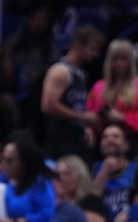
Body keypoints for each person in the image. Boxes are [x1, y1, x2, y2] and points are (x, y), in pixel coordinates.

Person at [40, 25, 104, 160]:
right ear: (78, 46)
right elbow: (48, 106)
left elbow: (77, 105)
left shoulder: (81, 73)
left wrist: (85, 126)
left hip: (76, 138)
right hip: (59, 139)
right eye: (92, 49)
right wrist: (82, 117)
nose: (95, 54)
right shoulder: (60, 71)